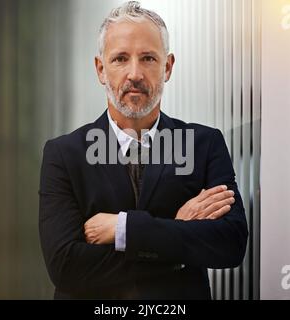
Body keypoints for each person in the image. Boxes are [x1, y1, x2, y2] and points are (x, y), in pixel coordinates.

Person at [39, 1, 248, 300]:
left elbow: (231, 244)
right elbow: (66, 266)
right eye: (120, 58)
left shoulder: (204, 145)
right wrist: (176, 234)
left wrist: (122, 228)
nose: (134, 73)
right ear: (101, 69)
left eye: (148, 58)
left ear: (168, 67)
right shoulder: (63, 154)